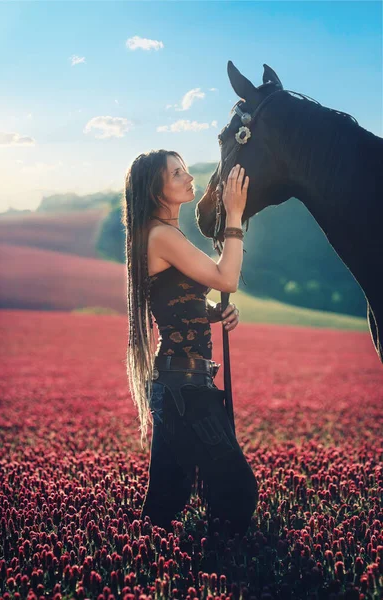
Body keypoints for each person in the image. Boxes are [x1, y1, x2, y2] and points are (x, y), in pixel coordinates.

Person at [121, 149, 258, 536]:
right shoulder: (162, 235)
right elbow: (226, 277)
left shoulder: (161, 234)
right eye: (176, 173)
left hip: (178, 383)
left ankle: (151, 575)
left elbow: (173, 297)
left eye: (184, 170)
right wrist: (234, 214)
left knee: (167, 499)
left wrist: (211, 310)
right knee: (237, 491)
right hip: (184, 389)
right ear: (155, 190)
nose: (188, 177)